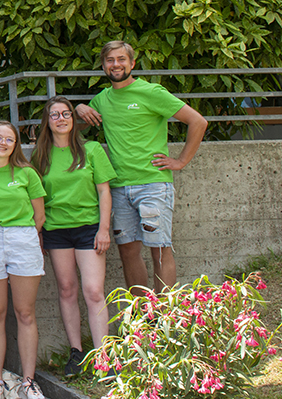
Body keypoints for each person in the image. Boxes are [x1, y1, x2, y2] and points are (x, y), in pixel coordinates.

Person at [75, 40, 207, 292]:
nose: (116, 64)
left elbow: (197, 122)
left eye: (121, 59)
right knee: (128, 253)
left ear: (132, 63)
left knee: (159, 252)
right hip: (119, 187)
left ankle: (165, 317)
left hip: (153, 184)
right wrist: (80, 107)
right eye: (110, 60)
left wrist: (181, 161)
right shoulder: (102, 99)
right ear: (103, 66)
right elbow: (79, 124)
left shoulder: (152, 92)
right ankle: (142, 319)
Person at [33, 96, 114, 380]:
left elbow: (104, 191)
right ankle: (77, 352)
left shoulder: (91, 150)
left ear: (73, 119)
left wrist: (104, 229)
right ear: (47, 121)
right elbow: (38, 198)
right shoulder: (41, 156)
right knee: (67, 290)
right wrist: (39, 232)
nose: (61, 118)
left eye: (66, 113)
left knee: (93, 291)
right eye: (54, 115)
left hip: (89, 228)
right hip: (56, 230)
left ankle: (103, 355)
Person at [0, 120, 47, 399]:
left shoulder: (27, 173)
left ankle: (28, 381)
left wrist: (23, 236)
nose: (3, 143)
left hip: (23, 238)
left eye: (10, 139)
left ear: (15, 144)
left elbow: (39, 217)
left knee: (25, 312)